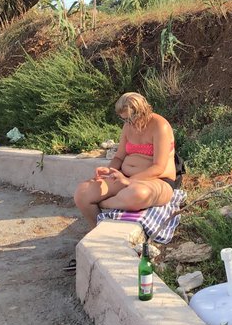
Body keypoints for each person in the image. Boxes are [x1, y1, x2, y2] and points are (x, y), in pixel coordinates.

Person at [74, 92, 177, 230]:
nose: (128, 123)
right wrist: (110, 170)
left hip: (157, 179)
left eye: (130, 119)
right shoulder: (128, 127)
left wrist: (129, 181)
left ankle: (104, 204)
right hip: (125, 176)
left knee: (138, 195)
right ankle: (96, 229)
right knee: (83, 193)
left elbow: (158, 167)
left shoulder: (160, 125)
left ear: (142, 111)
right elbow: (119, 157)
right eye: (124, 120)